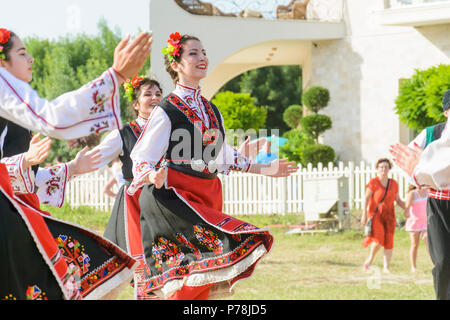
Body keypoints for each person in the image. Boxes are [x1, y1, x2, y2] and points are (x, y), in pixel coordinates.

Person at [127, 32, 298, 300]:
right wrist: (151, 174)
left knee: (205, 276)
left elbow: (220, 155)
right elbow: (141, 157)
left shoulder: (211, 109)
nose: (202, 57)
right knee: (195, 271)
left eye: (203, 52)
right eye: (193, 53)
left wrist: (265, 169)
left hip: (208, 193)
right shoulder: (167, 109)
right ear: (176, 64)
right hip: (178, 197)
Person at [0, 27, 152, 300]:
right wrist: (115, 77)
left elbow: (19, 182)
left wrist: (71, 169)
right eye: (22, 53)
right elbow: (52, 117)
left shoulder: (12, 115)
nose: (31, 59)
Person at [390, 89, 450, 299]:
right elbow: (406, 165)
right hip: (438, 205)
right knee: (442, 261)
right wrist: (419, 178)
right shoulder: (431, 134)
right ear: (446, 112)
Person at [361, 158, 406, 273]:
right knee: (378, 240)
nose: (383, 169)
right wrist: (364, 214)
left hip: (390, 216)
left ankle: (386, 267)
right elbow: (366, 199)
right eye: (381, 167)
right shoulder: (373, 183)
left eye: (386, 167)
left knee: (389, 241)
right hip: (376, 215)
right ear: (377, 169)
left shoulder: (393, 183)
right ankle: (369, 260)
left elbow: (398, 200)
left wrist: (406, 209)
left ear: (389, 169)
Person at [404, 184, 429, 273]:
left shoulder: (427, 192)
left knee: (427, 240)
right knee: (415, 244)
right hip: (414, 222)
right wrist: (406, 213)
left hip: (425, 222)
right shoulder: (412, 194)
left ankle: (436, 263)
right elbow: (407, 208)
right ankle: (413, 266)